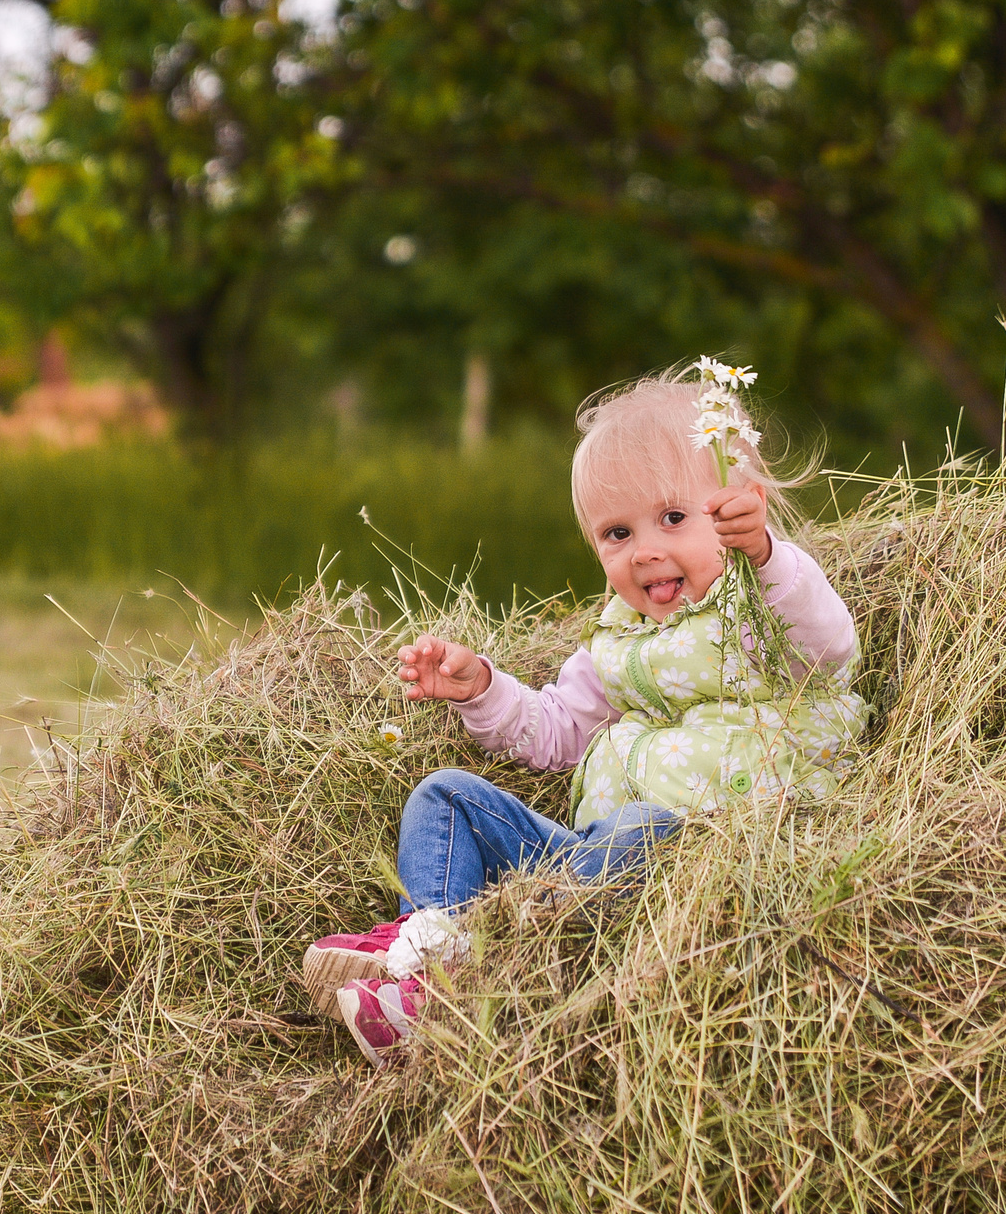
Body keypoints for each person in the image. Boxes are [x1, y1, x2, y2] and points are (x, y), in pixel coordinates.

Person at [312, 365, 869, 1064]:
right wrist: (480, 686)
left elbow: (827, 646)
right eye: (615, 533)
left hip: (703, 857)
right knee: (444, 796)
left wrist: (762, 556)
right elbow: (553, 731)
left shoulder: (759, 606)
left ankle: (500, 959)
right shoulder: (618, 639)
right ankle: (426, 959)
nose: (645, 550)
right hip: (585, 867)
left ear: (737, 508)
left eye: (673, 518)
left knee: (642, 827)